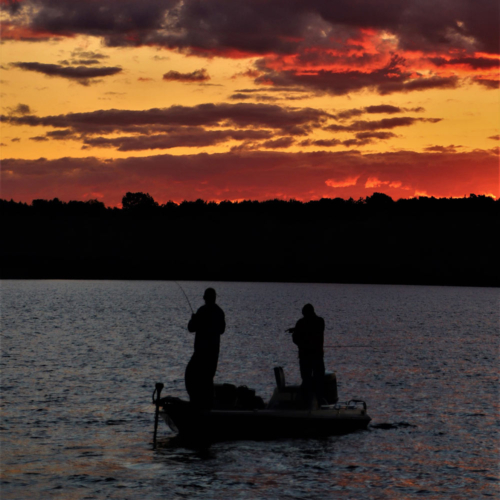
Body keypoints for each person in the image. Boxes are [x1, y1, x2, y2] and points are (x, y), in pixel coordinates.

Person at [185, 288, 225, 409]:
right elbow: (222, 330)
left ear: (205, 298)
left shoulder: (201, 311)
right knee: (208, 379)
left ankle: (198, 404)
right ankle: (207, 404)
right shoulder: (220, 312)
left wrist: (194, 319)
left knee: (191, 375)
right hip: (213, 354)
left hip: (200, 353)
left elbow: (191, 328)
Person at [287, 304, 325, 408]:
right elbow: (312, 328)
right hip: (317, 357)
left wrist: (296, 332)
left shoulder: (301, 323)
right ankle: (318, 403)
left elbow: (297, 338)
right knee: (318, 380)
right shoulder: (320, 321)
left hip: (306, 358)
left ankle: (307, 403)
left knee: (307, 379)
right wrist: (296, 329)